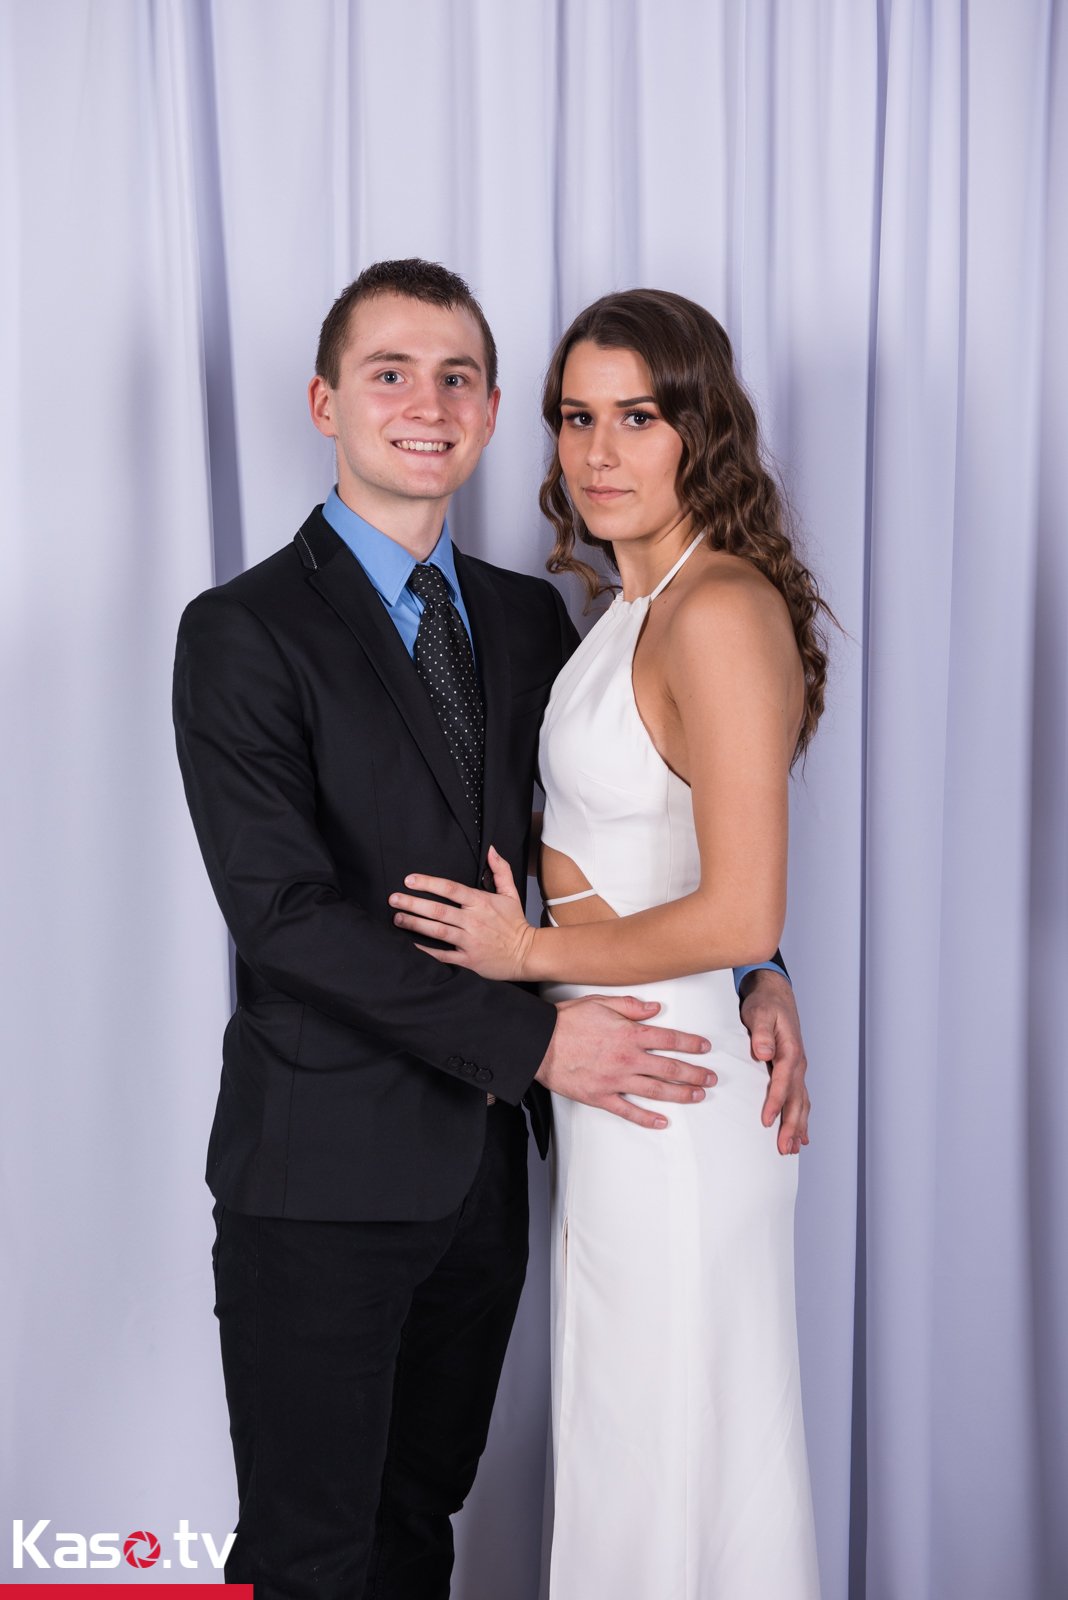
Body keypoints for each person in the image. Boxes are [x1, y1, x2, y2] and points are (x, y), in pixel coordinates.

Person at [172, 259, 810, 1600]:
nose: (428, 403)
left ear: (490, 411)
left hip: (491, 1181)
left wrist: (756, 966)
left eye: (457, 376)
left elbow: (634, 834)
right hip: (322, 1174)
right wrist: (531, 1043)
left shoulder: (532, 620)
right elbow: (284, 921)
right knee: (309, 1552)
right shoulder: (241, 630)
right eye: (390, 373)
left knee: (420, 1530)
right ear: (325, 403)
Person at [390, 288, 828, 1598]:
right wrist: (760, 981)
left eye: (638, 417)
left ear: (703, 429)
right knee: (635, 1441)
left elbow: (744, 910)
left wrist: (522, 956)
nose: (597, 452)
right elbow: (667, 858)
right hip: (619, 1079)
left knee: (676, 1446)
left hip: (670, 1088)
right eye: (576, 418)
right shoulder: (634, 612)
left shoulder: (718, 609)